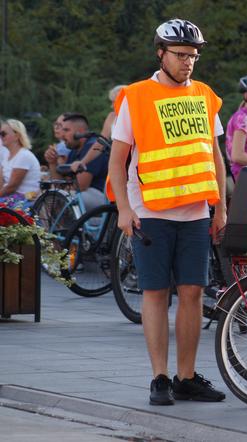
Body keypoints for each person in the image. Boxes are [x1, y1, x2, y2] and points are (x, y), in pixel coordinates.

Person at [107, 18, 226, 406]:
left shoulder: (205, 95)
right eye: (179, 54)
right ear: (160, 53)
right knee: (156, 294)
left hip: (195, 213)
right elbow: (117, 160)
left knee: (193, 293)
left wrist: (220, 206)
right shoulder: (136, 95)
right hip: (151, 211)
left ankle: (186, 377)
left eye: (192, 55)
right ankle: (160, 377)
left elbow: (216, 155)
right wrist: (124, 209)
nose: (187, 61)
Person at [46, 113, 109, 211]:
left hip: (99, 195)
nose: (62, 135)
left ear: (80, 132)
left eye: (66, 130)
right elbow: (59, 183)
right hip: (83, 193)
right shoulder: (74, 150)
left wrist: (60, 189)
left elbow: (81, 185)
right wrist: (52, 162)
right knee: (50, 197)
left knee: (55, 199)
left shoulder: (91, 147)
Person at [70, 85, 127, 172]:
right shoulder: (111, 117)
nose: (111, 106)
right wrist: (83, 162)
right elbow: (100, 142)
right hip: (117, 163)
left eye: (114, 102)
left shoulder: (136, 116)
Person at [0, 119, 41, 207]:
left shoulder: (23, 155)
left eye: (3, 134)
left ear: (17, 135)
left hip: (25, 198)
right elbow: (2, 182)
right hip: (11, 197)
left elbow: (11, 187)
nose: (1, 137)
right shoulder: (7, 155)